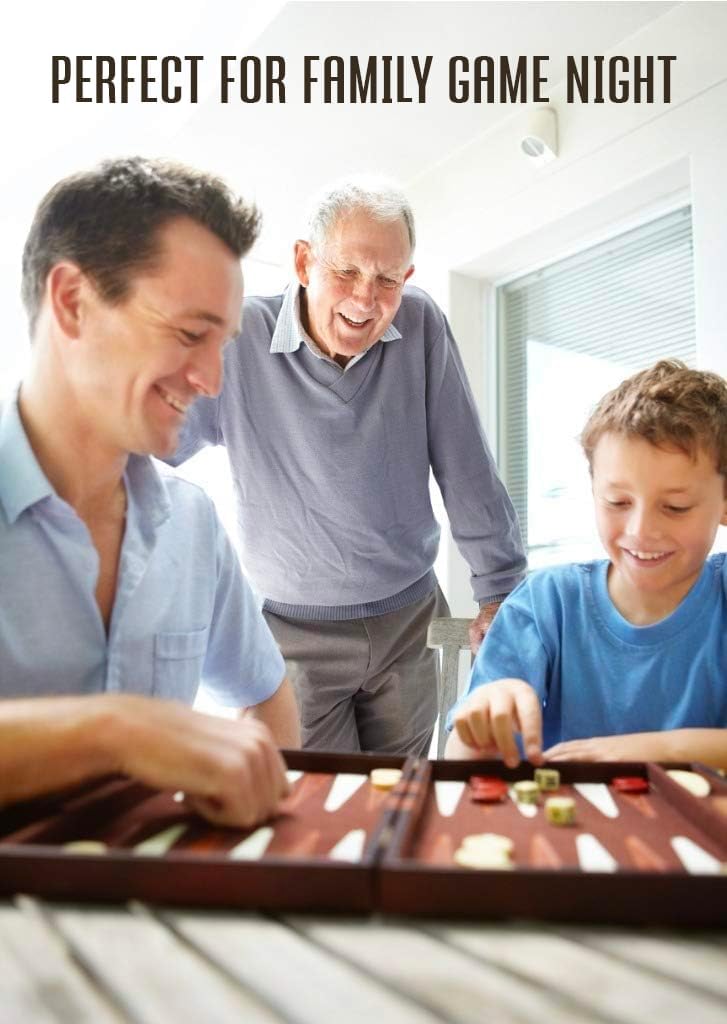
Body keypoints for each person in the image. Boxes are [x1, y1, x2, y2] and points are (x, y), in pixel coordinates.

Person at [169, 178, 526, 756]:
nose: (365, 300)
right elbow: (151, 444)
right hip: (292, 637)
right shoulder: (238, 337)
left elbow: (466, 465)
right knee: (317, 801)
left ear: (407, 278)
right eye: (347, 271)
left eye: (388, 279)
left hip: (408, 622)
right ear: (304, 262)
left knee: (402, 793)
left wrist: (501, 589)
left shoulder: (421, 324)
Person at [0, 157, 300, 824]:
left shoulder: (192, 523)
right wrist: (114, 732)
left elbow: (266, 698)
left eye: (221, 344)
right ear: (72, 302)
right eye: (191, 334)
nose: (212, 381)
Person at [447, 360, 727, 770]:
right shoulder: (546, 604)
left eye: (676, 506)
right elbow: (460, 757)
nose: (641, 530)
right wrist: (481, 726)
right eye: (617, 501)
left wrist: (646, 751)